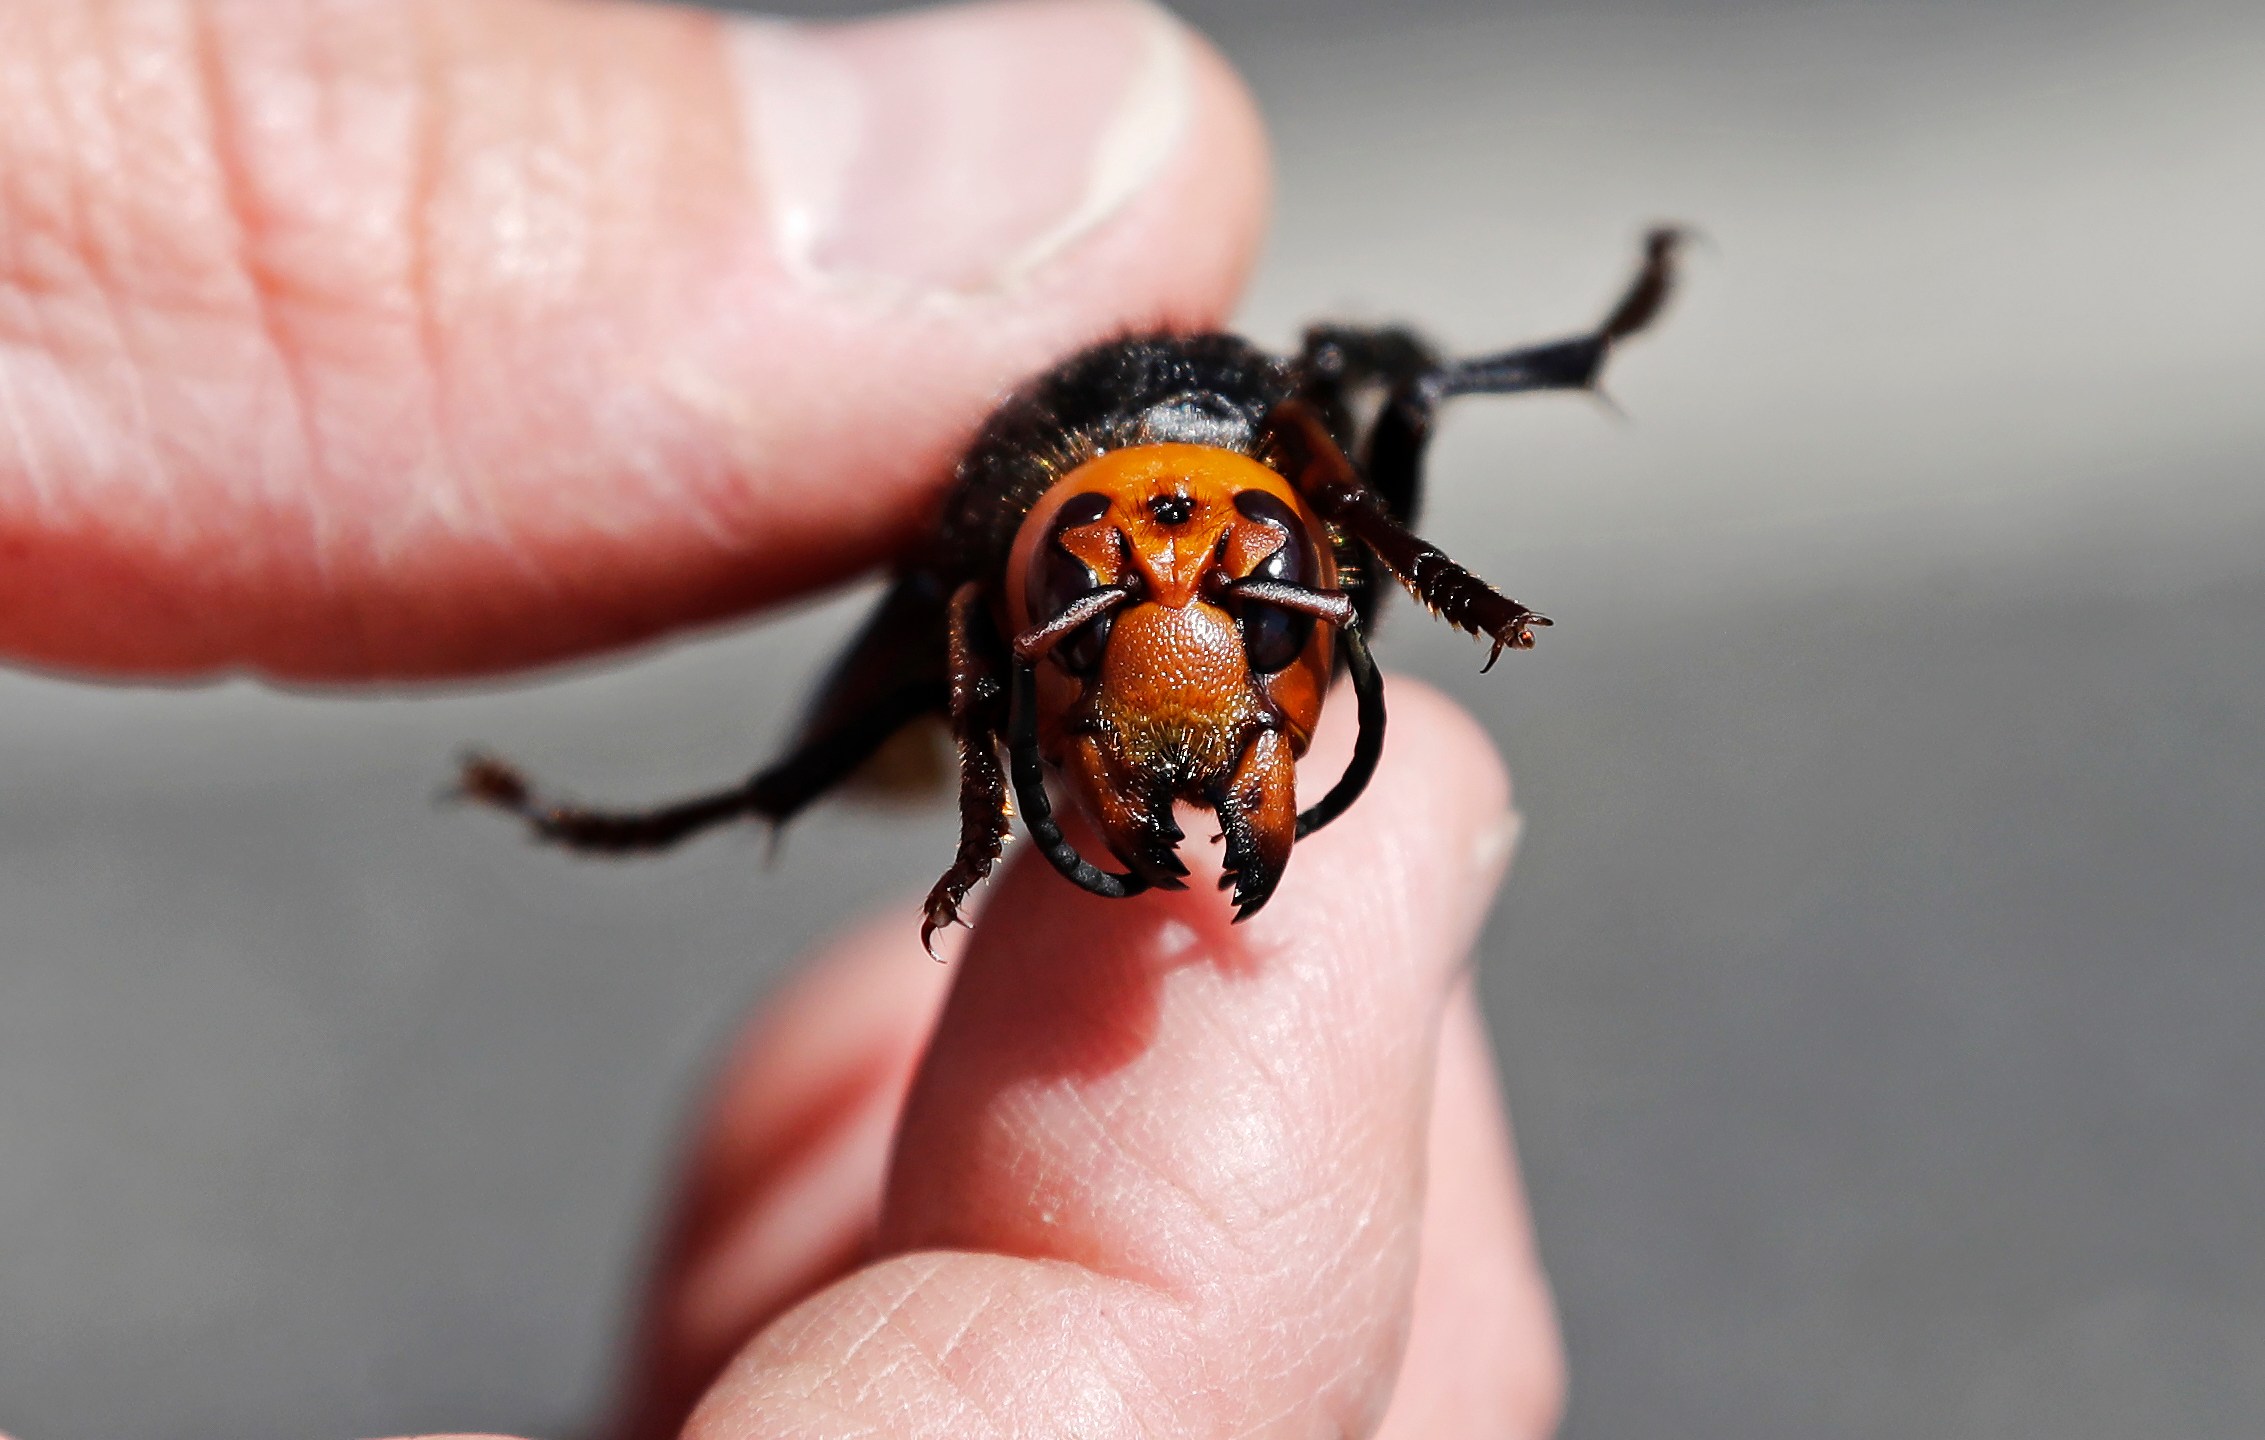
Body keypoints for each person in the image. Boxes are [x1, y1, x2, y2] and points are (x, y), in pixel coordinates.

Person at [0, 0, 1563, 1434]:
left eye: (1242, 593)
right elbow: (966, 623)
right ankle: (732, 808)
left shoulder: (1285, 467)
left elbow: (1382, 386)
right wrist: (977, 817)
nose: (1182, 629)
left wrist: (1409, 541)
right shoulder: (1010, 581)